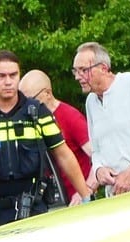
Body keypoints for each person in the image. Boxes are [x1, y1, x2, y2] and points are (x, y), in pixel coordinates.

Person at [0, 50, 89, 230]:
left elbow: (63, 154)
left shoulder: (37, 112)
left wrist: (85, 196)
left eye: (13, 75)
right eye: (1, 76)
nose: (8, 81)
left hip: (34, 207)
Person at [74, 42, 130, 197]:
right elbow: (96, 150)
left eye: (84, 70)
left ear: (103, 68)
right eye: (76, 71)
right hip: (114, 193)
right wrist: (99, 170)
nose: (78, 77)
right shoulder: (91, 101)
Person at [19, 69, 92, 202]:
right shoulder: (30, 122)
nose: (27, 106)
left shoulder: (70, 117)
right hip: (51, 200)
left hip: (78, 200)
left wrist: (85, 190)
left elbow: (96, 156)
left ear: (47, 93)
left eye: (31, 99)